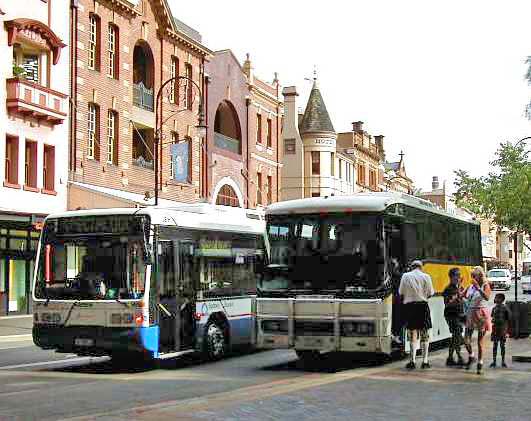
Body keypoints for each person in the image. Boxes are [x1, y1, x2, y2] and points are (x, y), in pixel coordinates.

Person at [399, 260, 435, 369]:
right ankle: (425, 361)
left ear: (411, 267)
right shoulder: (426, 276)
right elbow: (430, 293)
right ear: (421, 267)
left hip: (410, 307)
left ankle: (412, 361)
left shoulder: (405, 276)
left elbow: (401, 292)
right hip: (423, 307)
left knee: (412, 335)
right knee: (425, 335)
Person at [463, 266, 492, 374]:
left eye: (474, 275)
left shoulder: (485, 285)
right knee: (466, 339)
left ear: (480, 276)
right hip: (471, 313)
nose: (472, 277)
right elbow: (463, 296)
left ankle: (480, 362)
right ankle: (471, 356)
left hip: (481, 313)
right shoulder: (470, 286)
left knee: (480, 341)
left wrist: (478, 288)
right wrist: (459, 291)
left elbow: (487, 297)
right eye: (471, 275)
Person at [442, 268, 466, 367]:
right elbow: (447, 303)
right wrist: (457, 296)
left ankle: (450, 358)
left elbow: (464, 300)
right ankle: (459, 357)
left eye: (460, 275)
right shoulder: (448, 289)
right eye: (457, 275)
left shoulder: (459, 287)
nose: (459, 277)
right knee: (457, 336)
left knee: (455, 337)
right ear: (451, 277)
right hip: (451, 315)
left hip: (459, 315)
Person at [490, 293, 511, 368]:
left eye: (497, 298)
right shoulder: (494, 308)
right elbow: (492, 317)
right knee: (495, 345)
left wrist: (506, 330)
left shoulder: (505, 308)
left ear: (501, 299)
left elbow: (508, 318)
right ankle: (494, 361)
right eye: (495, 298)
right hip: (495, 329)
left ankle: (503, 361)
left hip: (502, 329)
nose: (495, 299)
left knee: (502, 346)